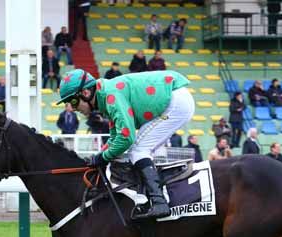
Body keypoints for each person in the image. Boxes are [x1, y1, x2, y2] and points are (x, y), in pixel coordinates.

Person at [57, 68, 195, 220]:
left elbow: (126, 137)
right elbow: (115, 136)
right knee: (137, 149)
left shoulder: (111, 96)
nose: (73, 108)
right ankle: (150, 196)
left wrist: (103, 157)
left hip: (176, 102)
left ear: (86, 93)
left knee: (139, 150)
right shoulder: (106, 95)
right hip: (175, 98)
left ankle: (159, 201)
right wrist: (100, 155)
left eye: (73, 101)